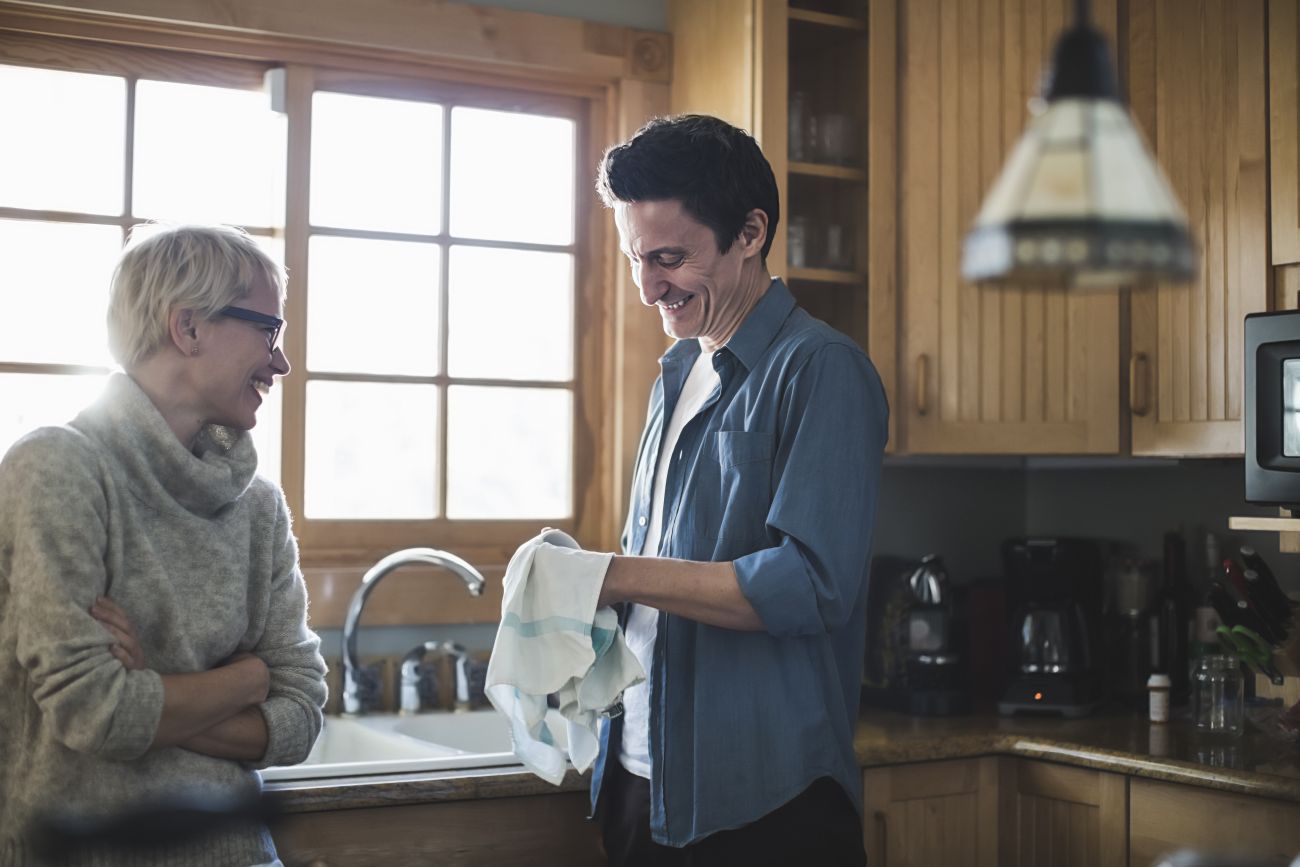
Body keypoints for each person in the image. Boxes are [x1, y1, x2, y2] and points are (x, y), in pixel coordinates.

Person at [590, 114, 888, 866]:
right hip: (638, 777)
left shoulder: (821, 369)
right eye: (635, 259)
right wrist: (588, 580)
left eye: (668, 257)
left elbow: (812, 584)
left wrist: (616, 573)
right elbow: (664, 566)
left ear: (750, 233)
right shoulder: (677, 376)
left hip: (765, 797)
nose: (648, 286)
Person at [0, 224, 328, 866]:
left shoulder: (260, 505)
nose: (281, 361)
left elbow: (302, 714)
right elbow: (95, 713)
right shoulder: (57, 468)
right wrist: (246, 679)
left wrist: (151, 681)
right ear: (189, 328)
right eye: (269, 330)